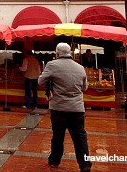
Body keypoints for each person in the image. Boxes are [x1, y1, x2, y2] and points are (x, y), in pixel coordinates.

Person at [38, 42, 92, 172]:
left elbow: (40, 81)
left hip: (59, 107)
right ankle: (85, 165)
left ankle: (55, 160)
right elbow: (85, 87)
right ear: (70, 53)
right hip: (77, 108)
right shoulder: (80, 67)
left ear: (57, 53)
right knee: (80, 137)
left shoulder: (52, 65)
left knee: (58, 135)